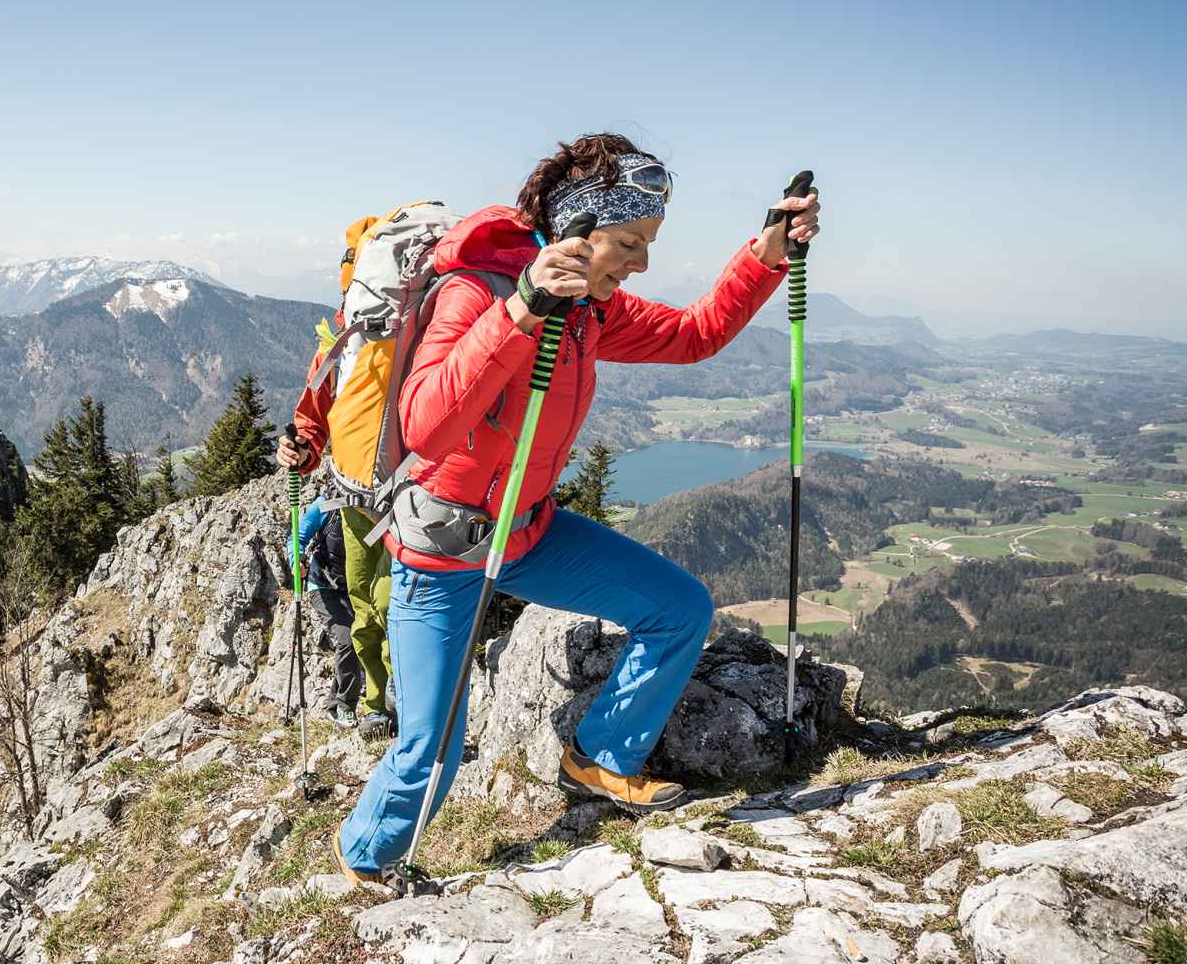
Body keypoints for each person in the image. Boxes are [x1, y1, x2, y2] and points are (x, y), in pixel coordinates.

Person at [326, 133, 819, 882]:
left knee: (679, 608)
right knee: (431, 746)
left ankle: (600, 757)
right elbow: (425, 425)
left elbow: (694, 335)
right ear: (576, 231)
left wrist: (768, 252)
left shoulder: (593, 311)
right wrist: (520, 309)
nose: (640, 263)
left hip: (530, 535)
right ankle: (368, 861)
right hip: (445, 551)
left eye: (646, 243)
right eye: (629, 242)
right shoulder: (476, 294)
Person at [275, 237, 398, 742]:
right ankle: (378, 699)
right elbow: (314, 417)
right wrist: (301, 450)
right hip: (367, 496)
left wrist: (307, 447)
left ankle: (401, 702)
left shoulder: (363, 336)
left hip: (390, 495)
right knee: (369, 602)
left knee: (387, 601)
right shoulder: (341, 341)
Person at [286, 494, 367, 727]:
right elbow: (296, 536)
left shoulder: (371, 502)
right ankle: (344, 707)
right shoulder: (326, 504)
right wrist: (296, 560)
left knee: (362, 637)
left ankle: (334, 704)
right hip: (322, 585)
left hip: (355, 588)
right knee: (348, 637)